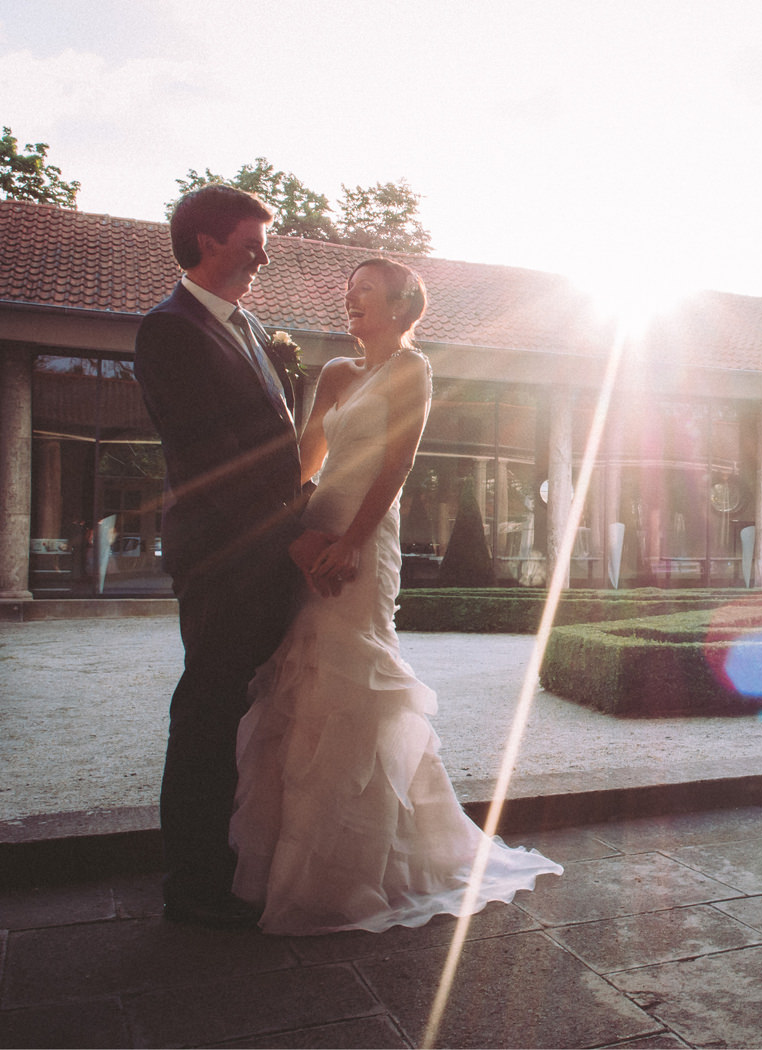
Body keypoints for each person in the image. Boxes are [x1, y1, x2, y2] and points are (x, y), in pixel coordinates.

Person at [229, 258, 561, 935]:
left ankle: (354, 869)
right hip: (318, 523)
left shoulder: (413, 371)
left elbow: (397, 463)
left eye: (368, 292)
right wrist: (294, 533)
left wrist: (351, 541)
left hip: (365, 535)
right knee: (301, 674)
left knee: (354, 681)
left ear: (404, 306)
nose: (351, 300)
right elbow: (305, 461)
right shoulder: (333, 375)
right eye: (348, 290)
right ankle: (287, 865)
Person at [135, 185, 335, 928]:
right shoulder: (169, 331)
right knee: (208, 715)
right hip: (222, 560)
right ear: (209, 241)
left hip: (268, 556)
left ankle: (243, 858)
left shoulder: (248, 326)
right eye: (253, 244)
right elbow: (210, 459)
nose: (264, 257)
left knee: (252, 711)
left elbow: (275, 450)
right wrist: (295, 531)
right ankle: (193, 886)